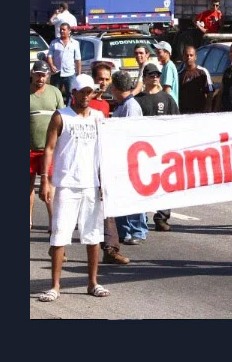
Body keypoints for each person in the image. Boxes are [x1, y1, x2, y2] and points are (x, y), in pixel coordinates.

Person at [37, 74, 109, 302]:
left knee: (92, 235)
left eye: (89, 91)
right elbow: (49, 148)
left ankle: (92, 282)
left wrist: (105, 181)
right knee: (59, 236)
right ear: (73, 93)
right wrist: (45, 181)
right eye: (82, 92)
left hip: (91, 184)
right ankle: (55, 286)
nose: (86, 96)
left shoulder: (98, 118)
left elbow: (108, 149)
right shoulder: (62, 117)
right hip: (66, 185)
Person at [88, 63, 130, 264]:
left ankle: (110, 249)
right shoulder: (82, 101)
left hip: (102, 160)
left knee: (107, 203)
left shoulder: (106, 105)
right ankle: (59, 247)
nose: (103, 83)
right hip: (84, 161)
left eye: (106, 79)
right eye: (100, 79)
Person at [136, 63, 180, 232]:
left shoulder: (167, 99)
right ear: (144, 78)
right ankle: (141, 216)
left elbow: (176, 121)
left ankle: (162, 217)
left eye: (157, 75)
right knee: (144, 183)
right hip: (144, 150)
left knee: (165, 183)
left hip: (163, 149)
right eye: (151, 75)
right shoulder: (138, 100)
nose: (155, 78)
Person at [110, 71, 149, 247]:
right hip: (119, 159)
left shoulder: (130, 107)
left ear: (117, 87)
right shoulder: (121, 105)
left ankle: (138, 230)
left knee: (132, 196)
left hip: (130, 159)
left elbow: (130, 134)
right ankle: (123, 230)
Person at [30, 60, 64, 233]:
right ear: (31, 74)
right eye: (37, 75)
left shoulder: (55, 92)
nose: (40, 79)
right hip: (30, 148)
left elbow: (64, 118)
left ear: (48, 76)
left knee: (49, 185)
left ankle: (53, 224)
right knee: (28, 187)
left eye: (43, 75)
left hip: (50, 149)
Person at [46, 23, 81, 104]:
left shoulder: (75, 43)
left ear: (69, 31)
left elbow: (78, 59)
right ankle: (55, 111)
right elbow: (49, 56)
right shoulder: (54, 43)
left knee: (71, 95)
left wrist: (78, 74)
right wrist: (51, 66)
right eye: (61, 29)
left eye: (64, 29)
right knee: (54, 94)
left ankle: (69, 112)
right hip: (57, 73)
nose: (61, 31)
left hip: (70, 74)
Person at [178, 45, 214, 114]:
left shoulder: (203, 72)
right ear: (183, 57)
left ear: (195, 57)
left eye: (191, 55)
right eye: (187, 55)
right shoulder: (180, 74)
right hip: (185, 113)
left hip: (200, 112)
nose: (189, 57)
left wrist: (208, 109)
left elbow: (211, 91)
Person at [153, 41, 179, 107]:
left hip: (169, 105)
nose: (157, 54)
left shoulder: (169, 66)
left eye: (159, 52)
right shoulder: (165, 66)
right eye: (156, 52)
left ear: (167, 53)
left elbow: (167, 89)